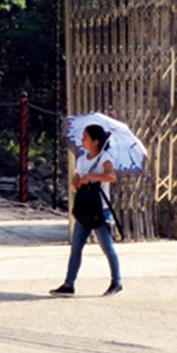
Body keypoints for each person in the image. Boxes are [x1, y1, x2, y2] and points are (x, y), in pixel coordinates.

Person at [50, 122, 122, 296]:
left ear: (95, 142)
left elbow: (111, 177)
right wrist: (76, 183)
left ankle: (117, 281)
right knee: (76, 247)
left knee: (107, 247)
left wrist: (91, 176)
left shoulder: (105, 158)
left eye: (86, 138)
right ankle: (69, 284)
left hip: (100, 209)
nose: (82, 140)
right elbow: (75, 181)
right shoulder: (82, 159)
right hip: (84, 208)